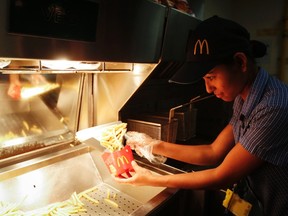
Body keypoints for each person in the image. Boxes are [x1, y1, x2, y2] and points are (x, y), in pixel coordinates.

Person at [115, 16, 288, 215]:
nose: (207, 88)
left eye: (211, 77)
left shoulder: (274, 107)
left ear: (240, 62)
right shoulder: (245, 96)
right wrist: (153, 145)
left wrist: (152, 179)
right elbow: (213, 151)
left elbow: (221, 176)